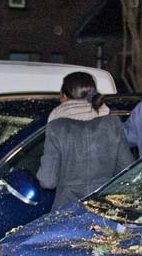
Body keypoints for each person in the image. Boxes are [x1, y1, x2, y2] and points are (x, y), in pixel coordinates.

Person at [36, 72, 134, 210]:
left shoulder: (56, 127)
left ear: (63, 96)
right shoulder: (112, 124)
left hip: (68, 211)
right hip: (105, 210)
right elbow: (128, 170)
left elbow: (47, 181)